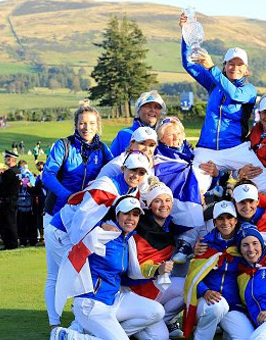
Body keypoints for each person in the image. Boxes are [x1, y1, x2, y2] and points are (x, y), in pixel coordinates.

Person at [44, 152, 150, 328]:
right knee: (70, 275)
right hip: (63, 231)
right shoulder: (106, 187)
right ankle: (61, 325)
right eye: (132, 170)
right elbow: (81, 219)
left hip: (73, 231)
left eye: (141, 172)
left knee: (71, 276)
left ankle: (70, 324)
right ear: (123, 169)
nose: (136, 176)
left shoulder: (133, 191)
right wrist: (99, 229)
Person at [179, 13, 266, 196]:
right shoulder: (214, 83)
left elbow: (234, 94)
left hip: (236, 149)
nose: (235, 67)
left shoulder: (249, 90)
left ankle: (253, 220)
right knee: (193, 190)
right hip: (206, 149)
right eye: (231, 63)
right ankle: (203, 222)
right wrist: (185, 35)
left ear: (246, 70)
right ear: (225, 66)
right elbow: (188, 64)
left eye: (240, 65)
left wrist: (211, 68)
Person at [50, 196, 168, 340]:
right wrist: (99, 224)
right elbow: (78, 225)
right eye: (126, 213)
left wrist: (157, 271)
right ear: (118, 215)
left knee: (156, 311)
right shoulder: (102, 234)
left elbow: (129, 274)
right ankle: (67, 336)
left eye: (135, 214)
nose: (131, 218)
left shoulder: (128, 239)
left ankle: (96, 333)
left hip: (114, 299)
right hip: (91, 302)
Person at [183, 201, 254, 340]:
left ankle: (226, 332)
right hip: (207, 302)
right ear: (214, 222)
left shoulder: (244, 243)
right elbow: (193, 276)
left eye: (229, 217)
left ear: (235, 220)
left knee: (246, 337)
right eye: (221, 218)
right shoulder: (205, 244)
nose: (225, 222)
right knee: (216, 307)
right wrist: (205, 291)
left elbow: (261, 254)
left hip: (234, 306)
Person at [124, 180, 185, 338]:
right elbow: (135, 266)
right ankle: (121, 327)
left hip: (155, 285)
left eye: (167, 200)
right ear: (148, 204)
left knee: (189, 286)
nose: (163, 205)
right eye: (157, 201)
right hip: (135, 289)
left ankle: (162, 319)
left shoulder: (170, 225)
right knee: (160, 338)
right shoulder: (138, 226)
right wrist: (157, 269)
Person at [152, 117, 217, 264]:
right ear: (161, 138)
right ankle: (186, 243)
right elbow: (168, 175)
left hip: (196, 195)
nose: (176, 137)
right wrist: (194, 187)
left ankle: (194, 247)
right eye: (170, 134)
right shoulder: (159, 155)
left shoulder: (190, 151)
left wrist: (214, 175)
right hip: (173, 195)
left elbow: (203, 173)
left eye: (178, 133)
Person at [43, 99, 113, 228]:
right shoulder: (64, 145)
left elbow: (115, 171)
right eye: (82, 123)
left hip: (87, 214)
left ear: (98, 125)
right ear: (75, 125)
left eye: (92, 123)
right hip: (57, 212)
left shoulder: (102, 149)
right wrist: (68, 196)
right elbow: (47, 175)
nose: (87, 128)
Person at [110, 91, 166, 157]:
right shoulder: (124, 134)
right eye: (148, 106)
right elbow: (111, 161)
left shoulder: (166, 135)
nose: (153, 110)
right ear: (138, 110)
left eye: (157, 107)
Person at [0, 150, 21, 250]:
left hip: (7, 200)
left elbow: (2, 186)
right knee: (11, 222)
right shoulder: (17, 171)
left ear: (10, 159)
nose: (5, 160)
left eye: (6, 158)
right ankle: (12, 243)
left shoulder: (9, 172)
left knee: (7, 223)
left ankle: (10, 243)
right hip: (13, 199)